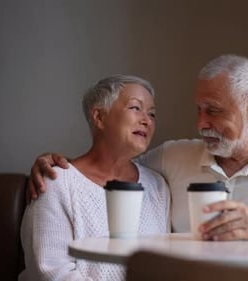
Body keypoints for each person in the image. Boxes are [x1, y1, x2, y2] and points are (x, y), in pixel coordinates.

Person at [29, 54, 248, 241]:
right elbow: (111, 164)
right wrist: (58, 164)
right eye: (199, 110)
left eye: (214, 110)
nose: (201, 123)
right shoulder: (173, 156)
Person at [19, 75, 170, 281]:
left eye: (152, 114)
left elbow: (163, 264)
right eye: (135, 108)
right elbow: (50, 272)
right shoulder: (56, 182)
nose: (146, 120)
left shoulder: (157, 186)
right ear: (99, 117)